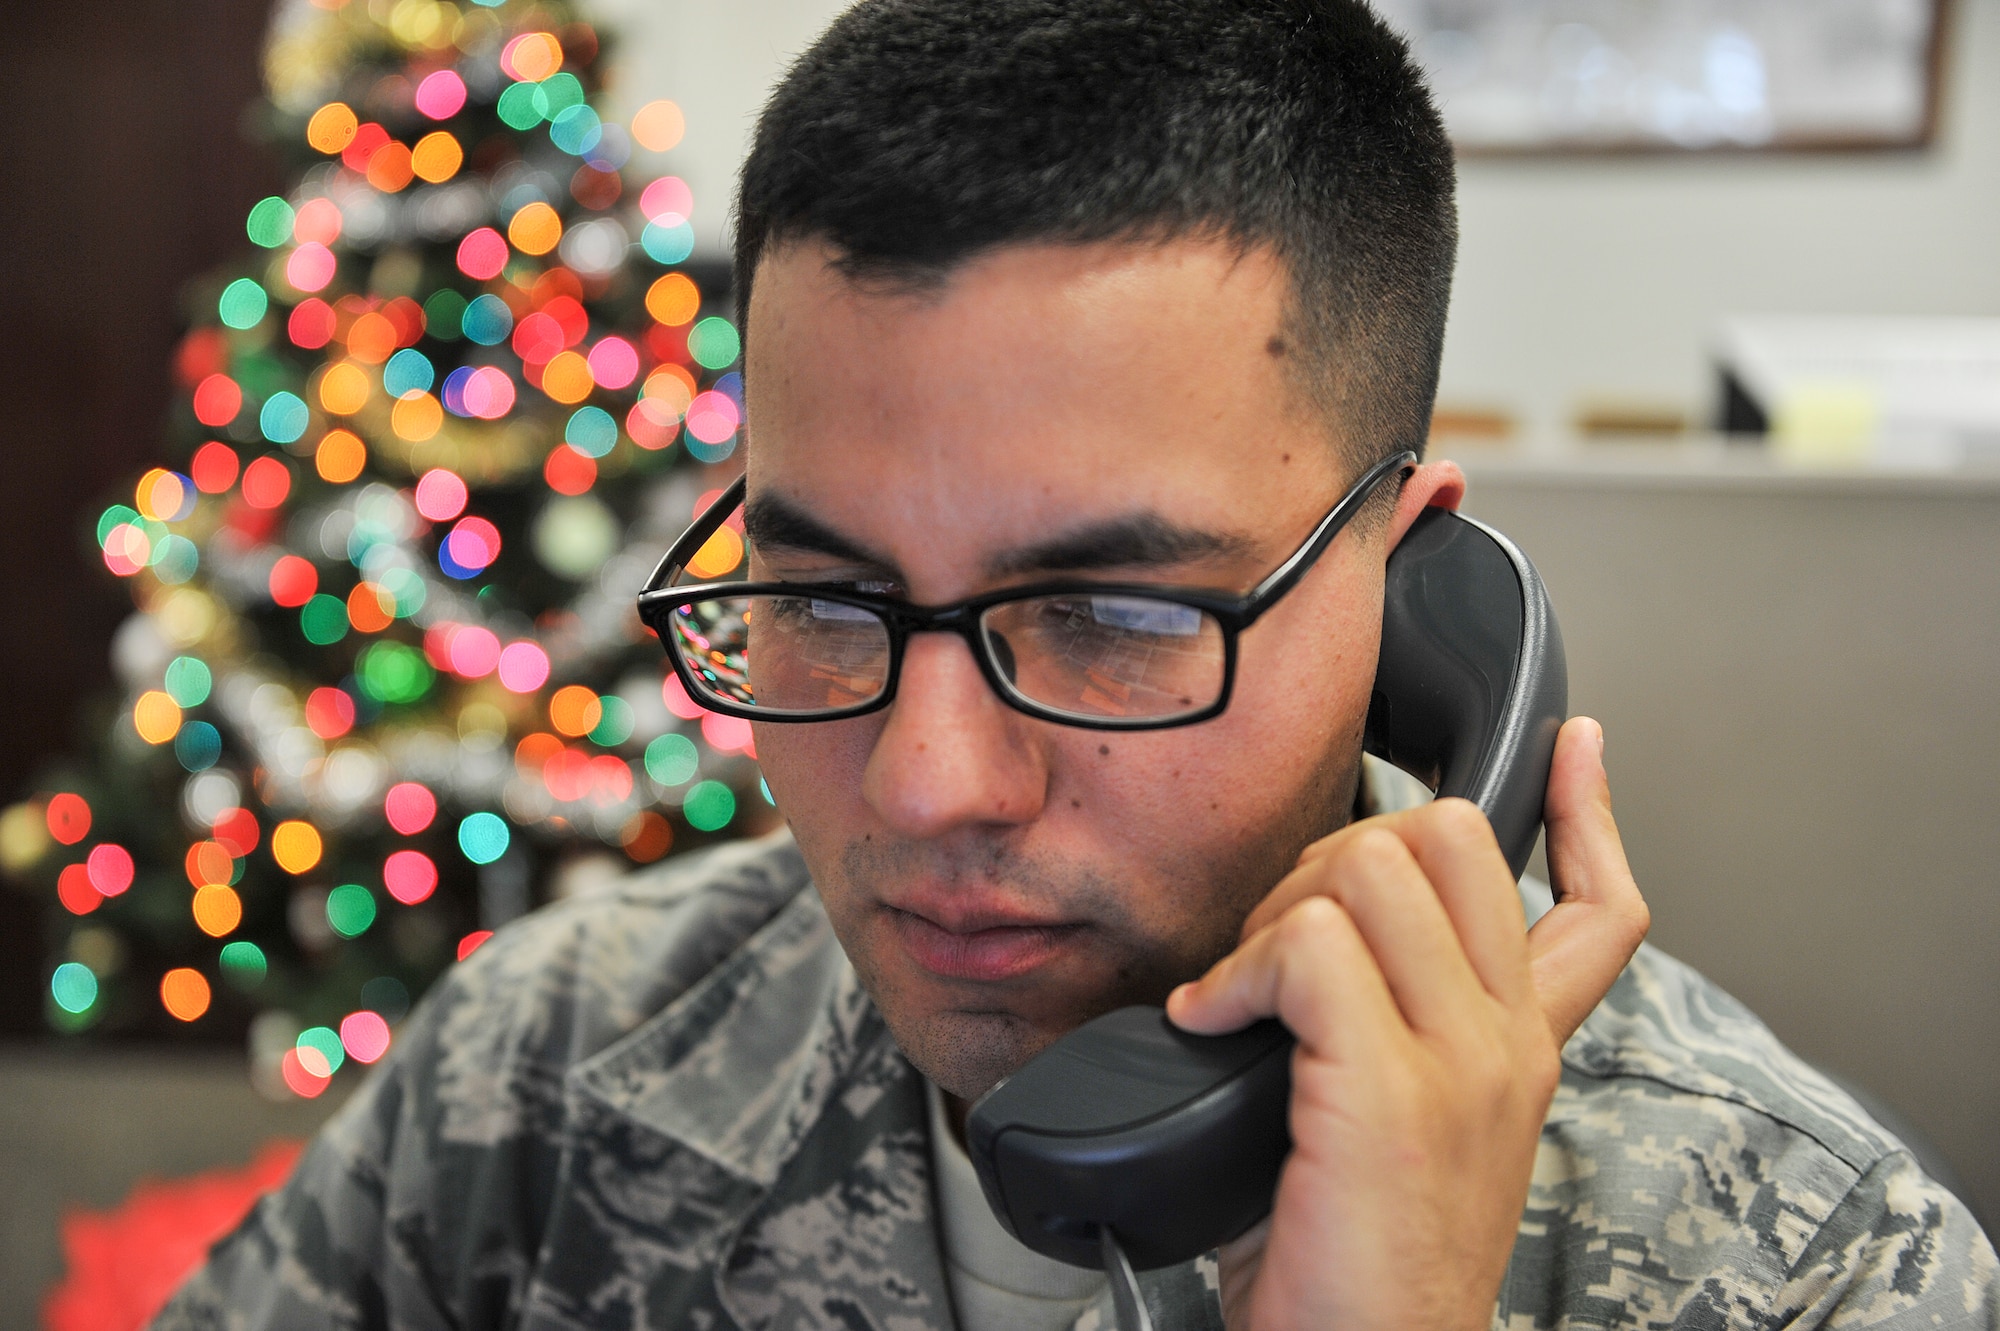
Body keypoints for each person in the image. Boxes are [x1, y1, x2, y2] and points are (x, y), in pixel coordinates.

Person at [156, 2, 1998, 1328]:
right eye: (826, 598)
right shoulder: (538, 1074)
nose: (926, 784)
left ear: (1403, 585)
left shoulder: (1814, 1266)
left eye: (1116, 619)